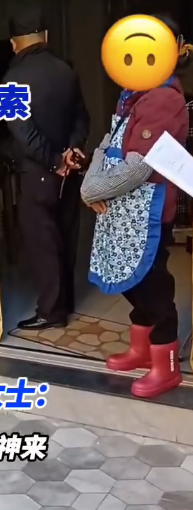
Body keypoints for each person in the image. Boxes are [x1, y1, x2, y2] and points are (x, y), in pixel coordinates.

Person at [80, 15, 191, 398]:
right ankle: (141, 350)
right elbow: (106, 143)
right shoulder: (134, 93)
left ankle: (166, 366)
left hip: (147, 213)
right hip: (122, 207)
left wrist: (91, 190)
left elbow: (138, 167)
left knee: (152, 285)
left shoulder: (164, 99)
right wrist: (94, 184)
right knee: (132, 281)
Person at [0, 1, 90, 330]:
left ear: (14, 43)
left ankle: (51, 312)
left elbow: (23, 134)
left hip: (38, 174)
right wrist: (71, 153)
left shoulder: (11, 80)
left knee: (43, 244)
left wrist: (53, 161)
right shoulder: (66, 70)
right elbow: (81, 118)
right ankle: (65, 303)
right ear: (46, 36)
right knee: (65, 235)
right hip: (68, 173)